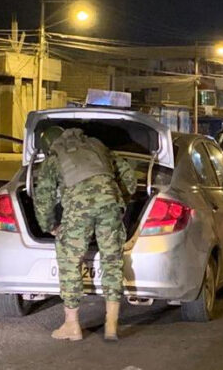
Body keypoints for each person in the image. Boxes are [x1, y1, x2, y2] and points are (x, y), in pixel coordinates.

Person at [34, 126, 136, 341]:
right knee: (112, 261)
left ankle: (72, 326)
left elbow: (43, 197)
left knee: (70, 262)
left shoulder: (54, 158)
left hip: (78, 210)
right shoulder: (97, 147)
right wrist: (119, 200)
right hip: (110, 205)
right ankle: (111, 325)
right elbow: (128, 176)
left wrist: (50, 226)